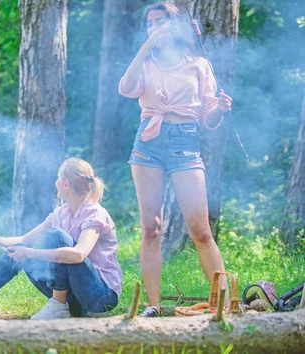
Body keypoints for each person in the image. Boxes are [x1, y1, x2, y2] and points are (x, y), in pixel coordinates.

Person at [118, 2, 233, 317]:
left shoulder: (198, 65)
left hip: (185, 142)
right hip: (148, 142)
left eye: (160, 21)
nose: (154, 27)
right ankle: (153, 306)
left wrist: (219, 110)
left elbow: (208, 119)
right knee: (151, 228)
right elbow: (126, 88)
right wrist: (145, 48)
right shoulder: (145, 62)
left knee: (201, 230)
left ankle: (223, 303)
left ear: (176, 27)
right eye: (150, 23)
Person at [0, 158, 123, 320]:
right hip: (75, 299)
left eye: (58, 178)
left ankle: (58, 305)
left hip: (99, 297)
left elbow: (78, 255)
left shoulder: (95, 214)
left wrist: (31, 252)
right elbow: (26, 239)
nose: (56, 182)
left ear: (66, 184)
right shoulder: (61, 212)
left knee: (55, 237)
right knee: (20, 251)